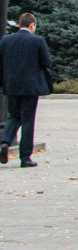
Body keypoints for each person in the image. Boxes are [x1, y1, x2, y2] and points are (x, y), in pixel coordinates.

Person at [0, 12, 52, 168]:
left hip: (11, 85)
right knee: (28, 120)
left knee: (14, 115)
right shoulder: (38, 41)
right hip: (31, 86)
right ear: (32, 25)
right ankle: (25, 157)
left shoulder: (6, 40)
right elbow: (47, 62)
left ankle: (5, 142)